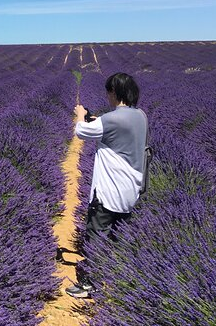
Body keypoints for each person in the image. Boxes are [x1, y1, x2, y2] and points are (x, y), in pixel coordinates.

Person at [66, 72, 148, 299]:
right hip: (131, 189)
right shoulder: (140, 115)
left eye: (108, 92)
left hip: (108, 189)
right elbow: (115, 130)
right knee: (119, 233)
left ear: (114, 92)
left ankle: (89, 284)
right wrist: (97, 120)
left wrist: (81, 116)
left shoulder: (111, 119)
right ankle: (117, 278)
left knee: (95, 234)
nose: (107, 96)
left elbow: (81, 132)